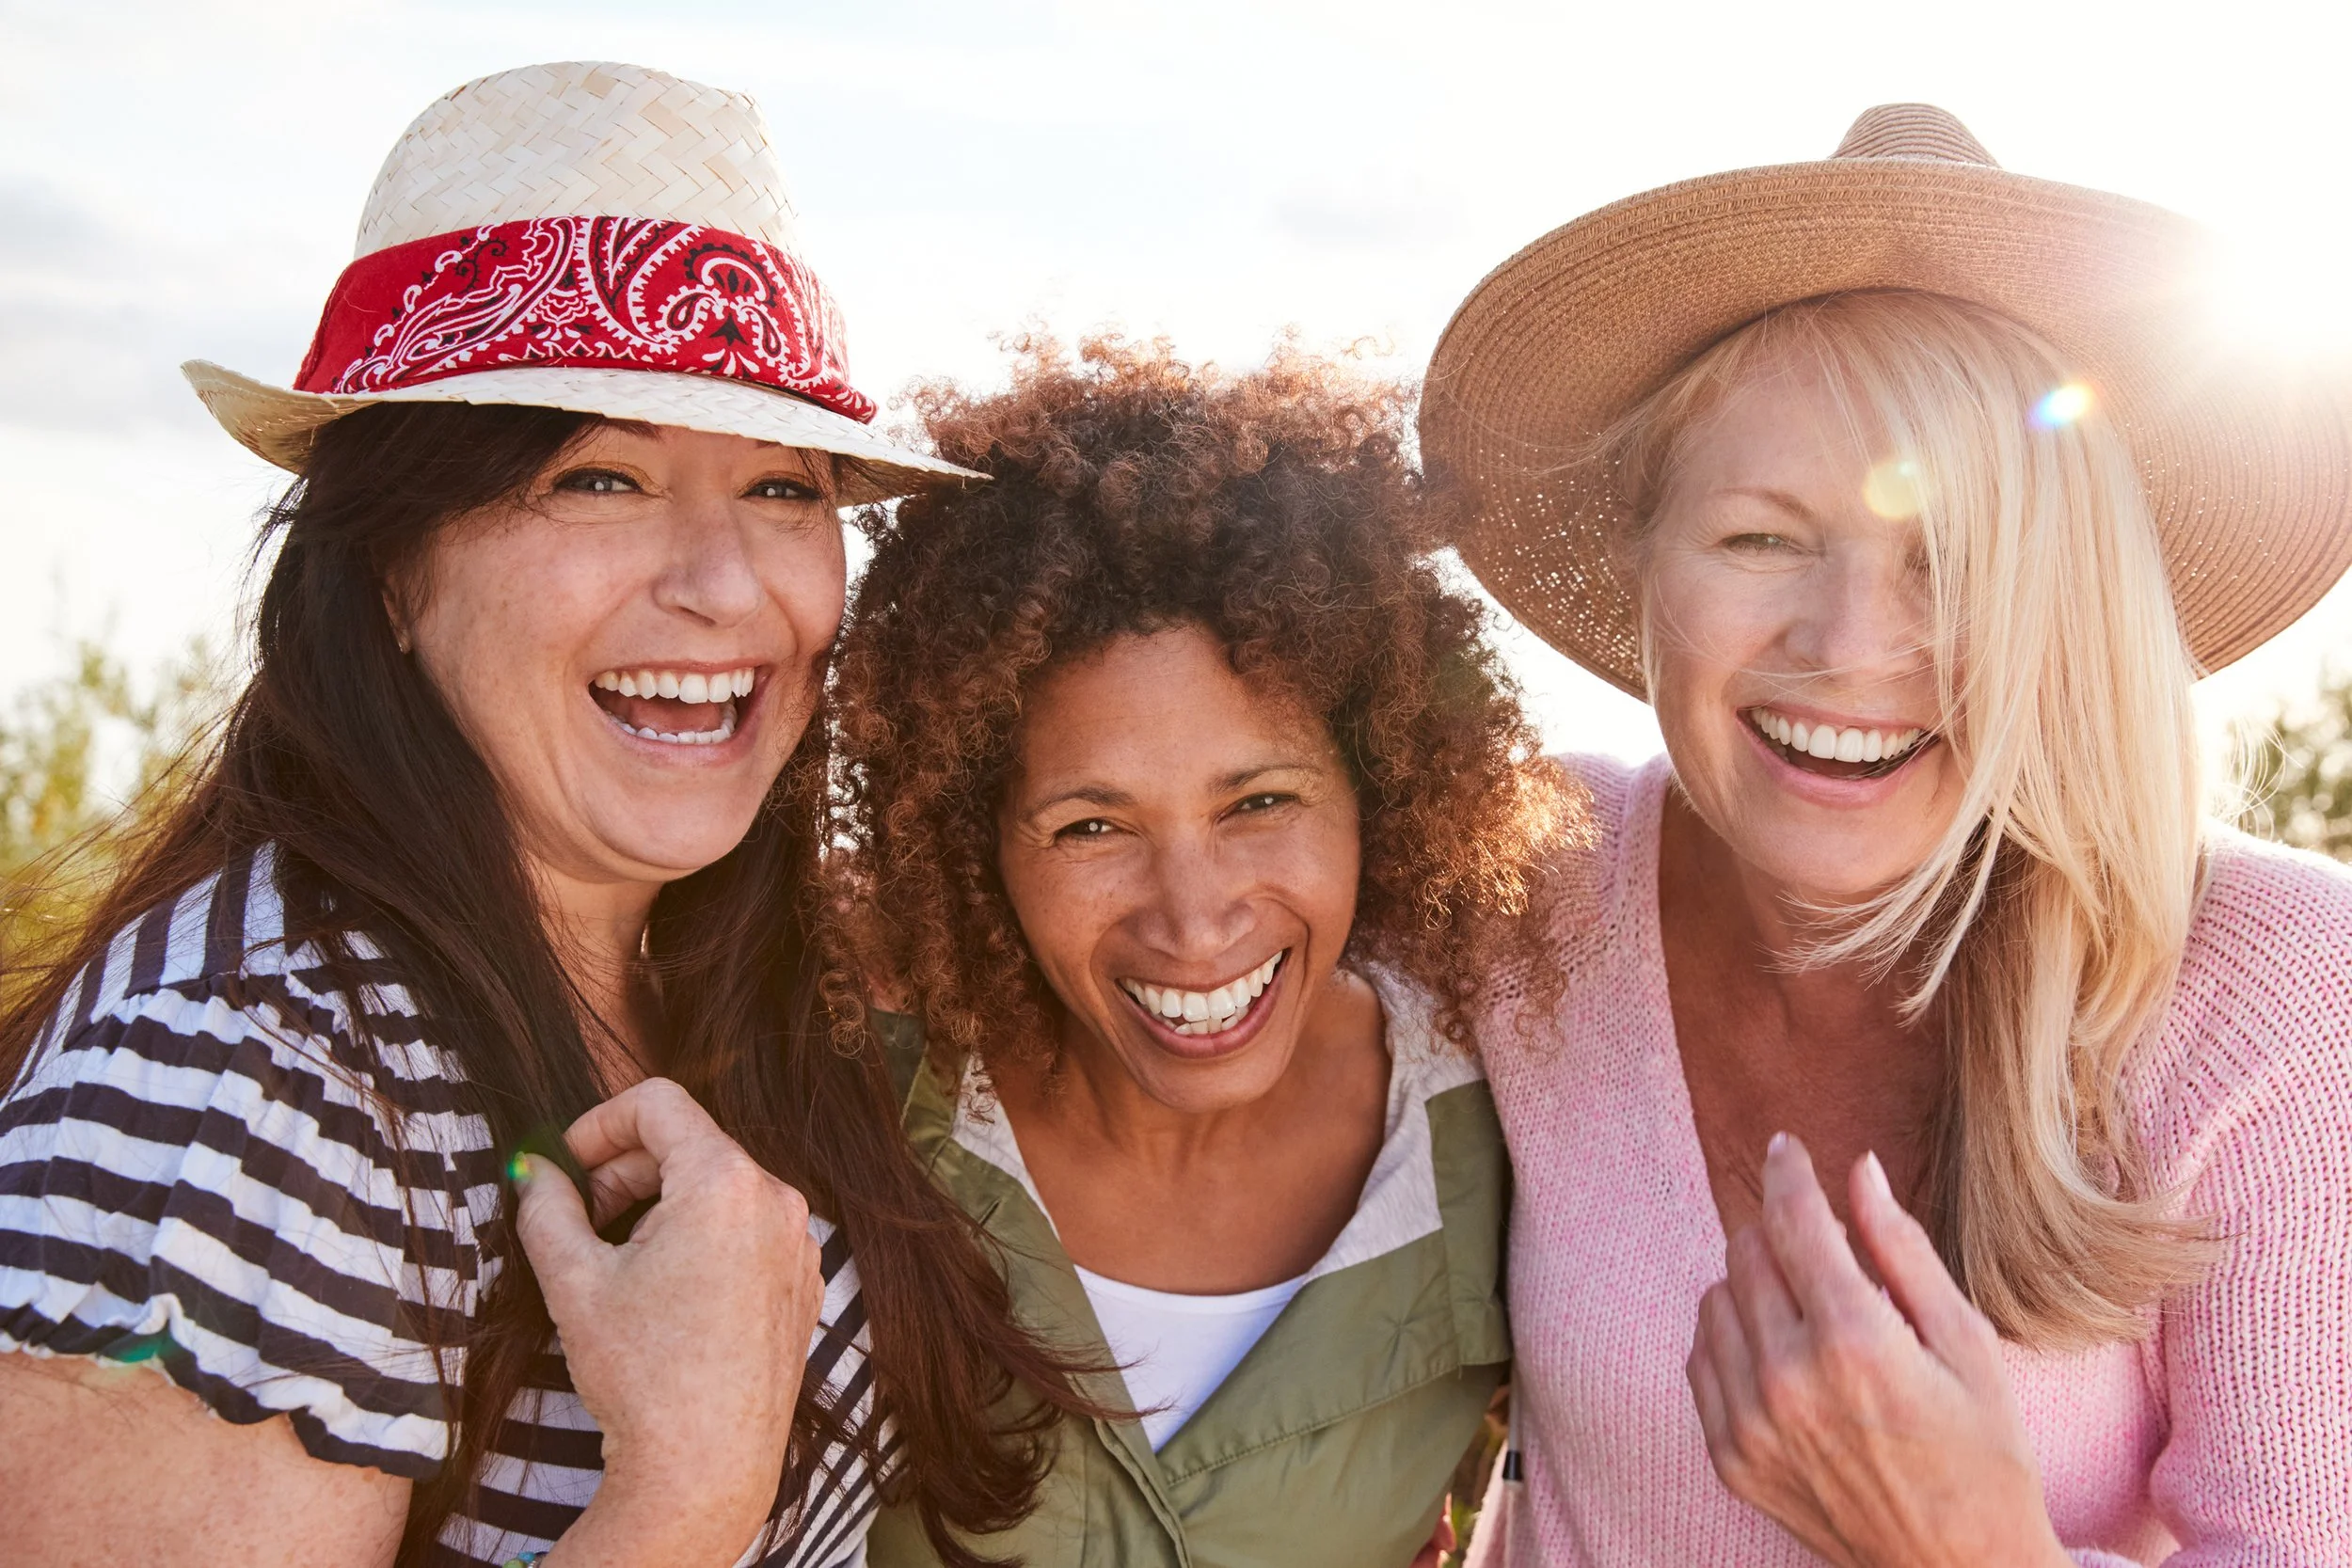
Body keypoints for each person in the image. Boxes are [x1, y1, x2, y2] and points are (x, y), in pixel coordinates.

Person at [0, 62, 1088, 1568]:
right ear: (389, 565)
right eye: (600, 476)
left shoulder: (717, 971)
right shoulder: (253, 1080)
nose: (723, 585)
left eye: (781, 489)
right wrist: (686, 1494)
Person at [1419, 104, 2352, 1565]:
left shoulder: (2274, 994)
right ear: (1640, 560)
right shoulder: (1522, 875)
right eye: (1762, 538)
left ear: (2073, 605)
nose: (1854, 647)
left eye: (1961, 563)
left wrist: (1976, 1550)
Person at [823, 338, 1574, 1568]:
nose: (1194, 916)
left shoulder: (1494, 1135)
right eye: (1092, 825)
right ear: (973, 837)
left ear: (1374, 785)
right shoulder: (845, 1114)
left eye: (1260, 802)